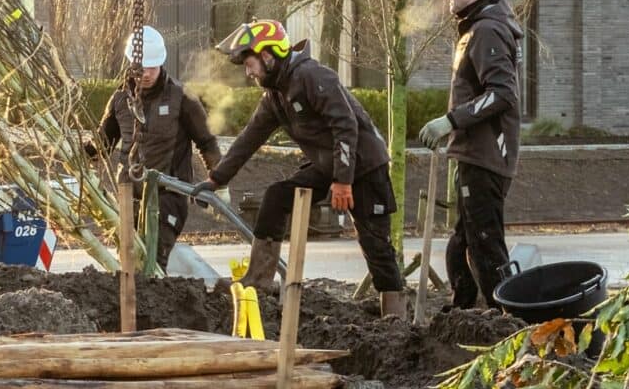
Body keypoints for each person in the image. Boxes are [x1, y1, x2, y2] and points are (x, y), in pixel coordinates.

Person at [204, 20, 406, 317]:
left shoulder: (313, 76)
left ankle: (395, 317)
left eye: (249, 64)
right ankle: (259, 280)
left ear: (268, 55)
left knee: (374, 243)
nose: (248, 72)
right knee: (277, 196)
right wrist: (215, 179)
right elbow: (249, 139)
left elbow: (345, 126)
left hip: (363, 166)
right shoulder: (275, 95)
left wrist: (342, 180)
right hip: (328, 165)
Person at [418, 0, 523, 309]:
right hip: (475, 155)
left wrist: (450, 120)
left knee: (483, 245)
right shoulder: (476, 28)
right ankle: (462, 312)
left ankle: (506, 320)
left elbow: (503, 93)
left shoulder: (487, 31)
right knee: (462, 244)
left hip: (486, 158)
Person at [95, 26, 220, 267]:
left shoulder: (181, 98)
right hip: (128, 195)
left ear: (161, 63)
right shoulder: (121, 100)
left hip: (168, 194)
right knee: (129, 264)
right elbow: (102, 143)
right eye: (142, 68)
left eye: (152, 67)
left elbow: (207, 142)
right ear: (131, 64)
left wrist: (218, 182)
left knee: (155, 257)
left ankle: (150, 298)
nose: (147, 74)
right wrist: (80, 154)